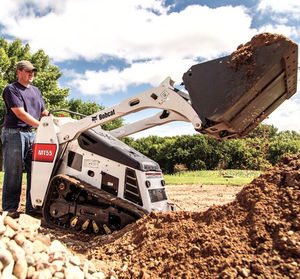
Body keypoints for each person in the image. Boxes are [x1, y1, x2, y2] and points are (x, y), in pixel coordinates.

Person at [1, 60, 49, 218]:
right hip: (14, 133)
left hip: (33, 134)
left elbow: (44, 112)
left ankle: (32, 208)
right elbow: (20, 113)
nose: (31, 74)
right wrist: (41, 126)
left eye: (33, 71)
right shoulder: (11, 89)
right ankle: (10, 209)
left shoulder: (35, 90)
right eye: (28, 71)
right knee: (14, 172)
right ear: (19, 72)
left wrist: (54, 123)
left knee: (36, 171)